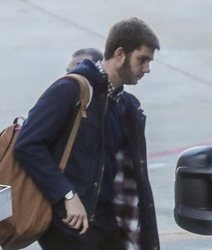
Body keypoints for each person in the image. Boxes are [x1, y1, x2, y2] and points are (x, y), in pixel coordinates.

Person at [14, 17, 160, 250]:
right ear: (120, 53)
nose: (147, 69)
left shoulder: (125, 104)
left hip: (108, 222)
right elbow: (27, 145)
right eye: (142, 60)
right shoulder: (72, 89)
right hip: (69, 224)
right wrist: (67, 195)